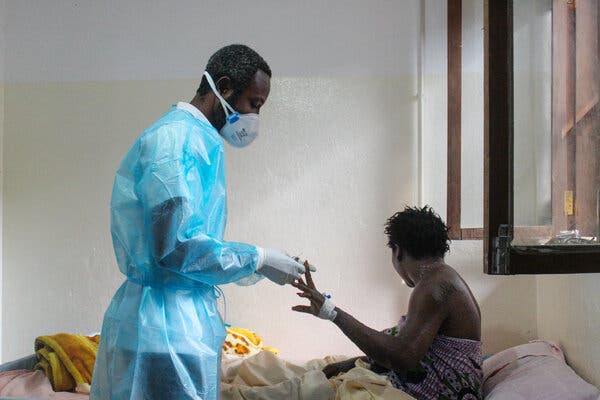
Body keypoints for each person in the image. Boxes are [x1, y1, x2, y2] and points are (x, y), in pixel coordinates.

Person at [90, 44, 308, 400]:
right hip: (163, 333)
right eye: (254, 103)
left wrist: (263, 263)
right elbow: (174, 248)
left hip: (174, 325)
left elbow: (186, 243)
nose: (255, 117)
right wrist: (259, 258)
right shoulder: (175, 141)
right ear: (223, 87)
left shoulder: (197, 140)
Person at [292, 206, 483, 400]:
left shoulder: (434, 287)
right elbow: (412, 352)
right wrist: (352, 363)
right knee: (319, 375)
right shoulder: (441, 278)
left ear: (398, 251)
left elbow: (402, 357)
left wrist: (331, 312)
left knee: (309, 388)